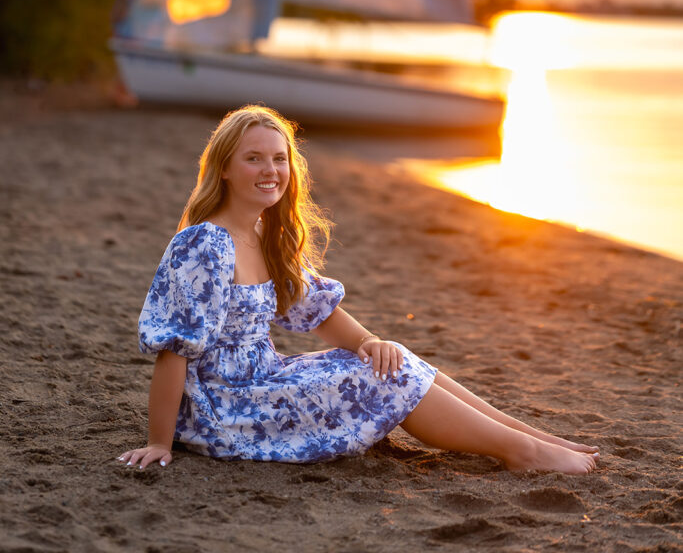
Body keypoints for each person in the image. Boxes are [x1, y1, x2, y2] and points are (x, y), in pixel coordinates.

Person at [118, 105, 600, 473]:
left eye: (279, 159)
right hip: (222, 407)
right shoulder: (203, 244)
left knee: (386, 358)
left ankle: (528, 435)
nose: (271, 170)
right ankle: (521, 451)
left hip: (262, 380)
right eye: (253, 159)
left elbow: (316, 312)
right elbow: (175, 350)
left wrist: (370, 342)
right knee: (378, 378)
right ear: (224, 168)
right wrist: (161, 442)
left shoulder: (264, 233)